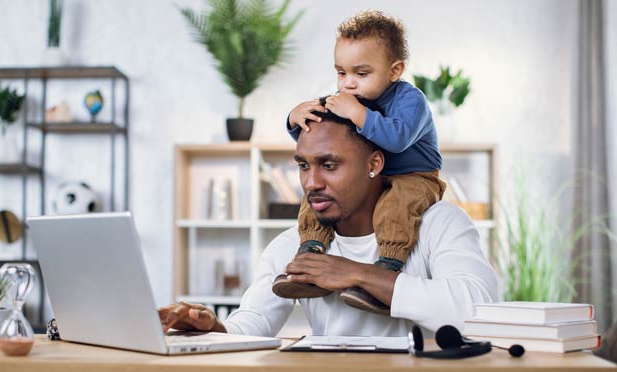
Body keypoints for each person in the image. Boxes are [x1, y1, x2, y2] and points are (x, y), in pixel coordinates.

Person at [159, 110, 498, 337]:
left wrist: (357, 273)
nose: (311, 183)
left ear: (374, 163)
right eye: (304, 166)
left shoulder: (439, 223)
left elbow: (479, 310)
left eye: (329, 166)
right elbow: (255, 322)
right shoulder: (293, 243)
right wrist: (211, 328)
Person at [274, 10, 445, 315]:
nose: (348, 84)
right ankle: (311, 252)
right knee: (315, 196)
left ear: (395, 71)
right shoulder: (353, 99)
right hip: (372, 175)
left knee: (398, 207)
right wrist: (295, 118)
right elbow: (322, 138)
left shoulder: (411, 101)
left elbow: (397, 140)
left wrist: (356, 113)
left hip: (413, 173)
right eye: (341, 73)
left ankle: (386, 271)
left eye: (361, 73)